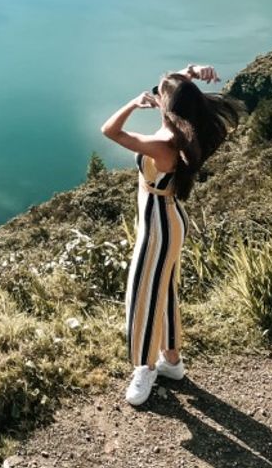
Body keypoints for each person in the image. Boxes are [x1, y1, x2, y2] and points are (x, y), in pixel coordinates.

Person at [100, 63, 243, 406]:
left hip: (158, 228)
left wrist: (134, 104)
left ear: (169, 109)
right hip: (170, 219)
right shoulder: (190, 133)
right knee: (164, 292)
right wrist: (189, 72)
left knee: (143, 295)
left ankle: (145, 367)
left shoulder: (163, 145)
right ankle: (172, 362)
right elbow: (174, 93)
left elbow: (110, 131)